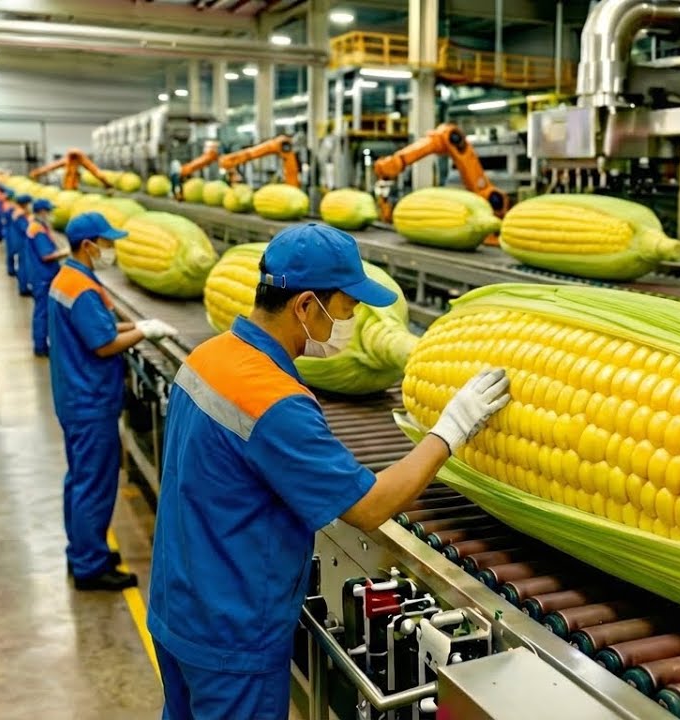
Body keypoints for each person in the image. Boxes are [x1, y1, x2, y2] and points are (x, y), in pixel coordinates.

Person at [147, 223, 510, 720]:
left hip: (176, 607)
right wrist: (449, 430)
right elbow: (370, 507)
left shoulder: (209, 355)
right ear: (305, 306)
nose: (352, 318)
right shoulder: (276, 402)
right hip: (232, 637)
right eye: (346, 306)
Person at [49, 212, 178, 591]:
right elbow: (104, 344)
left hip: (75, 398)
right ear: (89, 246)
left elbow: (98, 326)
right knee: (94, 483)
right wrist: (142, 333)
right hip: (90, 403)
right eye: (107, 243)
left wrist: (136, 326)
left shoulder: (69, 278)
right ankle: (91, 566)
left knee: (80, 479)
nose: (111, 249)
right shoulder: (82, 288)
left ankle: (82, 551)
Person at [26, 199, 67, 356]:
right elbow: (46, 255)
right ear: (42, 212)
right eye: (48, 211)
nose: (50, 214)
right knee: (42, 312)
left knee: (42, 311)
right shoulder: (38, 230)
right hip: (43, 277)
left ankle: (41, 343)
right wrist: (66, 252)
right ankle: (40, 346)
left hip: (40, 275)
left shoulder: (37, 226)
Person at [8, 194, 32, 295]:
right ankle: (23, 288)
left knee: (21, 264)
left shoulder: (16, 212)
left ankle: (23, 286)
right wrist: (30, 220)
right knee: (22, 266)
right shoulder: (21, 216)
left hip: (17, 241)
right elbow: (26, 229)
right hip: (20, 244)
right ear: (25, 204)